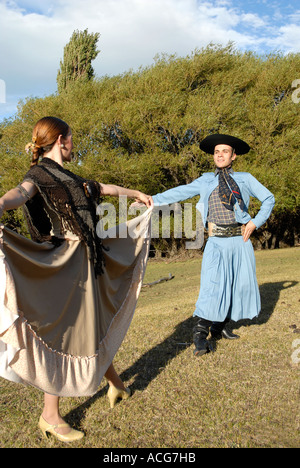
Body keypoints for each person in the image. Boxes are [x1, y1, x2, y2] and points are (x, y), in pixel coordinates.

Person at [0, 116, 153, 443]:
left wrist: (136, 193)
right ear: (61, 141)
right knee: (66, 333)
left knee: (93, 325)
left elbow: (102, 188)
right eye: (72, 138)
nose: (74, 143)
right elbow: (20, 193)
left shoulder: (70, 177)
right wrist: (0, 204)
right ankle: (50, 416)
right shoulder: (39, 173)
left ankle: (117, 385)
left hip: (89, 261)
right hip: (66, 263)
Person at [151, 134, 275, 356]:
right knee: (212, 286)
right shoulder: (205, 180)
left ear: (233, 156)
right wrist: (151, 199)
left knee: (236, 286)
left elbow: (269, 199)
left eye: (225, 151)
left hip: (240, 240)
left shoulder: (246, 178)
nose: (220, 154)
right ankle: (199, 336)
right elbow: (179, 192)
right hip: (216, 241)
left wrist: (255, 222)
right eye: (217, 151)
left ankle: (219, 328)